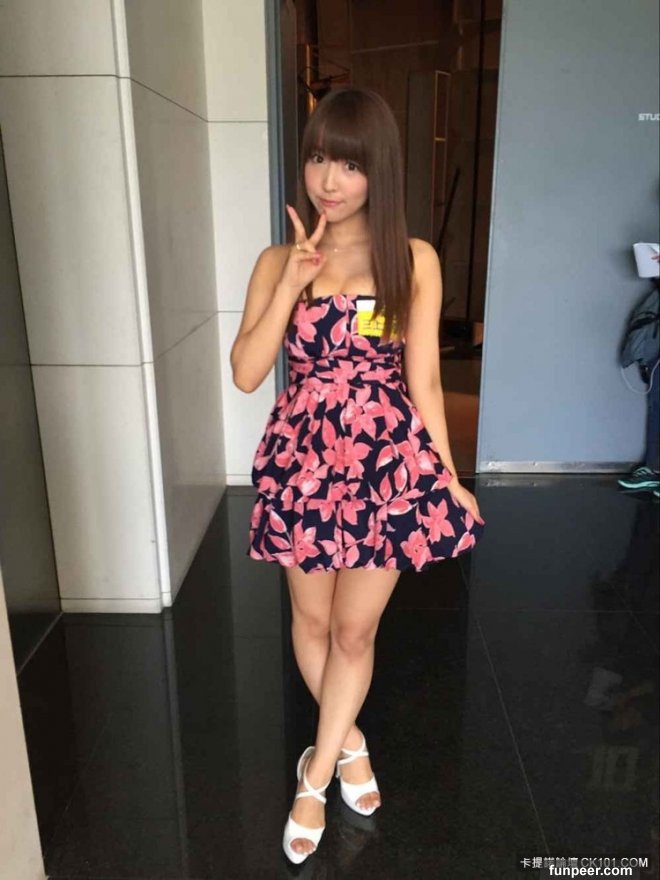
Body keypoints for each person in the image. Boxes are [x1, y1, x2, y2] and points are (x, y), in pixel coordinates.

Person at [230, 86, 487, 865]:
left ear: (380, 170)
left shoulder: (413, 258)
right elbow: (246, 373)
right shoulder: (277, 260)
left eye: (348, 163)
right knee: (311, 625)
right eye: (317, 158)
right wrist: (291, 280)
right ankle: (350, 743)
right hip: (304, 461)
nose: (328, 180)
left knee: (353, 630)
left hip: (387, 464)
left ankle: (314, 777)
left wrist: (447, 476)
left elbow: (425, 382)